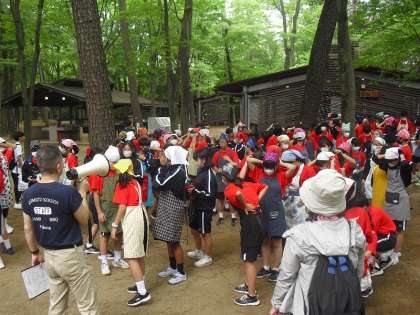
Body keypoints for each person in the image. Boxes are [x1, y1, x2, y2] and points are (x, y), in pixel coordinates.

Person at [270, 169, 365, 315]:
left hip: (309, 304)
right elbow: (358, 269)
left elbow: (287, 275)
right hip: (345, 301)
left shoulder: (299, 235)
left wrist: (277, 304)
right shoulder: (354, 230)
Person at [21, 145, 100, 315]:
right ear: (58, 166)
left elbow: (28, 229)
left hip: (49, 257)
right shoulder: (68, 193)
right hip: (70, 257)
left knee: (57, 307)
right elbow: (83, 218)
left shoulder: (28, 194)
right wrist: (82, 192)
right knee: (87, 307)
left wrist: (35, 252)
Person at [223, 162, 268, 306]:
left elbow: (237, 194)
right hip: (259, 219)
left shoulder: (230, 188)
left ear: (225, 179)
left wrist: (245, 205)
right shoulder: (248, 184)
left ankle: (252, 296)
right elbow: (264, 187)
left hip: (251, 223)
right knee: (248, 255)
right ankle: (249, 285)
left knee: (249, 259)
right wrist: (256, 201)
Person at [241, 151, 288, 282]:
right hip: (262, 213)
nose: (268, 169)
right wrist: (265, 163)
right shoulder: (258, 173)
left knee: (277, 242)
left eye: (271, 166)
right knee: (264, 241)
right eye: (267, 167)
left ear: (276, 166)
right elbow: (248, 160)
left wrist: (277, 163)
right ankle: (266, 267)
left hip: (277, 213)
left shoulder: (281, 176)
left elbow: (293, 168)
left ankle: (276, 269)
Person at [111, 159, 151, 307]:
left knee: (131, 256)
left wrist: (114, 225)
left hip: (132, 217)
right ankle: (141, 283)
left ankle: (142, 292)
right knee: (138, 253)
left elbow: (122, 207)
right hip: (140, 214)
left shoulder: (123, 185)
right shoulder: (134, 181)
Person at [90, 145, 129, 275]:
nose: (114, 165)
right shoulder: (99, 173)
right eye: (112, 162)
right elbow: (95, 194)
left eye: (116, 162)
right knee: (104, 235)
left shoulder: (119, 171)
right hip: (105, 207)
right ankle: (104, 261)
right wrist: (99, 212)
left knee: (119, 233)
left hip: (118, 206)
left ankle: (117, 258)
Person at [153, 145, 189, 285]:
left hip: (174, 207)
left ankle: (181, 272)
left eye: (163, 155)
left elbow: (159, 183)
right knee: (169, 239)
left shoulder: (177, 171)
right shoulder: (173, 169)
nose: (161, 157)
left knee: (174, 240)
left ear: (170, 158)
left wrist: (160, 169)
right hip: (167, 206)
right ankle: (173, 267)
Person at [379, 147, 413, 262]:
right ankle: (395, 253)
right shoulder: (404, 167)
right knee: (399, 230)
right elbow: (407, 164)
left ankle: (388, 250)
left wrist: (385, 155)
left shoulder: (384, 165)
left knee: (389, 227)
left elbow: (376, 157)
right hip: (401, 200)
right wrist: (401, 155)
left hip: (389, 198)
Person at [187, 149, 217, 267]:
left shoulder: (209, 175)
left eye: (197, 159)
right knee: (194, 230)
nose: (196, 162)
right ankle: (199, 251)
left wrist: (195, 190)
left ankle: (207, 257)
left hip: (205, 208)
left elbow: (210, 194)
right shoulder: (200, 171)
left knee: (205, 233)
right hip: (196, 206)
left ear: (203, 160)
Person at [212, 134, 239, 226]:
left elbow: (236, 165)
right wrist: (217, 170)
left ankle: (233, 217)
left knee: (231, 198)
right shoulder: (217, 153)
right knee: (220, 198)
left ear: (227, 142)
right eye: (220, 142)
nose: (221, 143)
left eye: (223, 142)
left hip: (230, 178)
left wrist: (229, 161)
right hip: (220, 177)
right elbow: (213, 165)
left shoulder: (232, 152)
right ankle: (220, 216)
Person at [11, 131, 25, 209]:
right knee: (18, 186)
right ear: (20, 138)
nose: (24, 137)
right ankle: (18, 202)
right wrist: (22, 167)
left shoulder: (15, 145)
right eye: (23, 136)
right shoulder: (18, 146)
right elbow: (19, 157)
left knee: (17, 185)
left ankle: (18, 202)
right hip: (17, 169)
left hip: (14, 169)